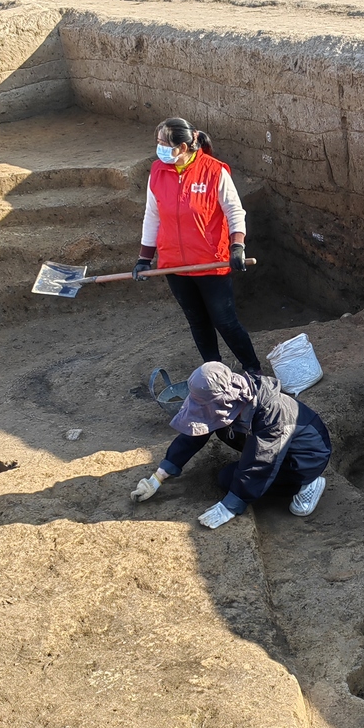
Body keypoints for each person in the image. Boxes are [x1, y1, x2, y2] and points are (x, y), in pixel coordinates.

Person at [130, 361, 329, 528]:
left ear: (222, 402)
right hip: (272, 449)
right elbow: (195, 431)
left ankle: (306, 483)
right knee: (228, 478)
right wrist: (159, 476)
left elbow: (261, 462)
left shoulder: (273, 412)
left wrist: (231, 505)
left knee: (229, 480)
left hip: (305, 456)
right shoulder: (225, 399)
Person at [133, 117, 261, 374]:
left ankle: (253, 370)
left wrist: (237, 246)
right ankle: (215, 375)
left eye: (164, 144)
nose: (159, 149)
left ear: (182, 146)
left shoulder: (214, 171)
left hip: (210, 263)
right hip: (174, 265)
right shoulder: (157, 172)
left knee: (225, 321)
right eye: (157, 143)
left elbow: (235, 211)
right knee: (197, 321)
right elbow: (152, 215)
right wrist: (144, 258)